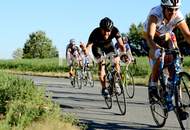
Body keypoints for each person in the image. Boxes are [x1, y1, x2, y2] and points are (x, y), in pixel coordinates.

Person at [143, 0, 190, 120]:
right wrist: (157, 49)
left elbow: (188, 35)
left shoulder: (178, 15)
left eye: (176, 9)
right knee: (160, 55)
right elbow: (150, 37)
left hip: (167, 36)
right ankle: (153, 86)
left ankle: (177, 104)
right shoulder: (156, 14)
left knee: (176, 65)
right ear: (163, 8)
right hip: (151, 37)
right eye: (170, 9)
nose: (173, 12)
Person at [81, 17, 126, 97]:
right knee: (102, 64)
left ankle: (116, 81)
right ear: (100, 28)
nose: (106, 33)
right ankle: (104, 88)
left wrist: (123, 54)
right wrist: (85, 50)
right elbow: (88, 49)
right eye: (104, 30)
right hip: (97, 48)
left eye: (108, 31)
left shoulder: (115, 30)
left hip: (109, 46)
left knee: (116, 61)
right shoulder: (95, 33)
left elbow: (121, 45)